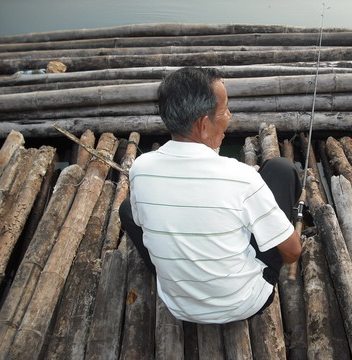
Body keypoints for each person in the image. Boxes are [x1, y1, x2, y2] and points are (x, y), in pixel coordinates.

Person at [119, 67, 302, 324]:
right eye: (224, 110)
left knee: (127, 208)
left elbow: (142, 222)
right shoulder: (241, 176)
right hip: (246, 302)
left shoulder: (140, 168)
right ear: (204, 125)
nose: (229, 115)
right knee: (281, 169)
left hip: (179, 306)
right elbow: (292, 252)